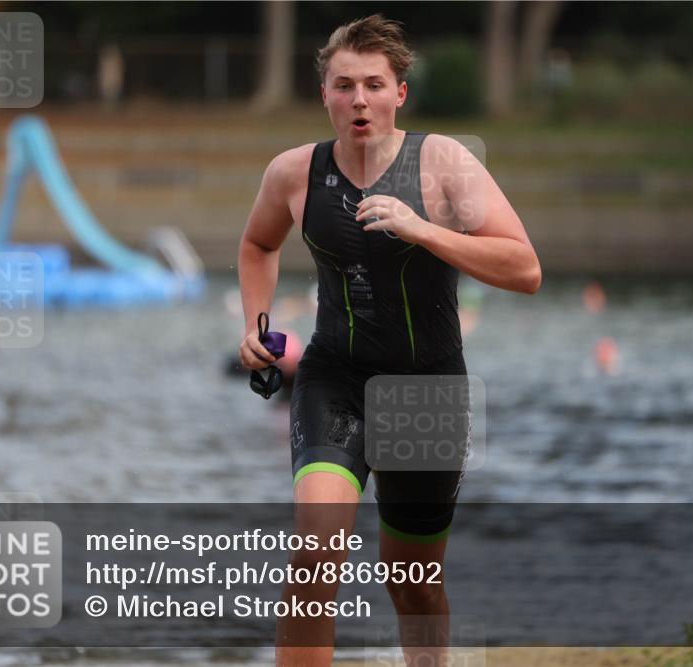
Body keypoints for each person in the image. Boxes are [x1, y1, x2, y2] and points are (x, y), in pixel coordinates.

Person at [237, 15, 540, 667]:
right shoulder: (294, 173)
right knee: (315, 553)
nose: (359, 99)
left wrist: (423, 228)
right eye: (344, 85)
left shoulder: (445, 164)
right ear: (324, 93)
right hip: (335, 377)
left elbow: (526, 267)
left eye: (374, 84)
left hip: (426, 389)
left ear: (401, 91)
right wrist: (256, 326)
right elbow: (258, 243)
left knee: (413, 583)